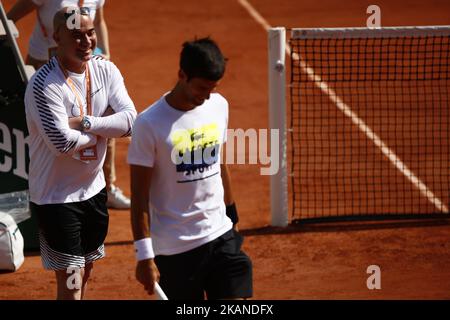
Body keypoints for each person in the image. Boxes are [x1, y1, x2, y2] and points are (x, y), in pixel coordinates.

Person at [24, 7, 136, 299]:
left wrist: (86, 123)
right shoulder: (43, 85)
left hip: (94, 189)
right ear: (56, 37)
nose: (86, 42)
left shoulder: (106, 69)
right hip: (57, 197)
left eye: (90, 33)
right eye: (76, 36)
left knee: (86, 270)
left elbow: (131, 122)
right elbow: (61, 142)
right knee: (71, 278)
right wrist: (105, 129)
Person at [127, 37, 253, 300]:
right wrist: (144, 256)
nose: (207, 96)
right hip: (175, 250)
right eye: (201, 88)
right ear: (182, 74)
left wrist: (233, 219)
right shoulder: (149, 124)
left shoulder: (218, 106)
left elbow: (220, 164)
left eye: (213, 88)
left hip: (220, 233)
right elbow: (139, 197)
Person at [7, 0, 131, 209]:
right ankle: (43, 185)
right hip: (45, 64)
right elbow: (10, 20)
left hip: (84, 67)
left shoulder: (102, 67)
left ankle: (107, 187)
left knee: (105, 117)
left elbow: (98, 21)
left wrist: (105, 53)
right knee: (48, 132)